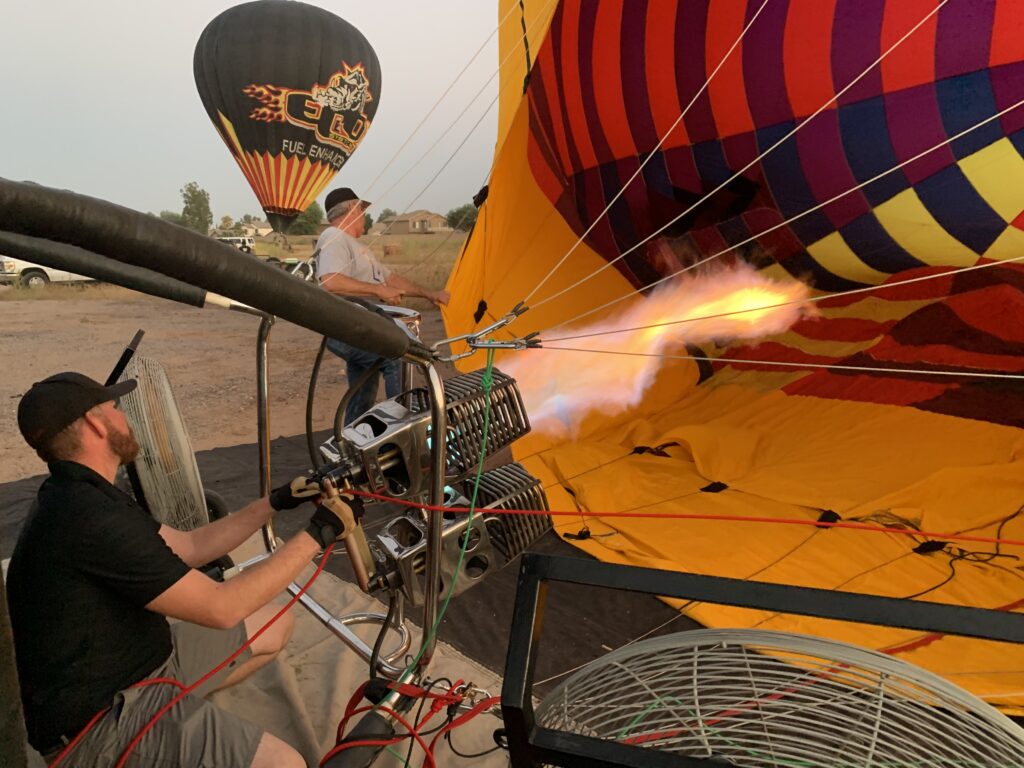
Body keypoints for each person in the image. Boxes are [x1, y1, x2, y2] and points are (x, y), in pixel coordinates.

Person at [6, 371, 357, 767]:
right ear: (94, 423)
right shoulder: (87, 518)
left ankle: (176, 718)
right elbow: (221, 608)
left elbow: (190, 546)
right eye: (115, 409)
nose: (125, 417)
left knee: (275, 622)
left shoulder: (81, 492)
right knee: (285, 763)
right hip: (99, 725)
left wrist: (275, 502)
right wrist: (320, 534)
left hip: (145, 665)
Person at [315, 187, 451, 424]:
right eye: (362, 210)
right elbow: (330, 281)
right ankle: (402, 426)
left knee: (363, 390)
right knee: (394, 356)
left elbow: (390, 280)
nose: (365, 216)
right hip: (345, 328)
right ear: (351, 209)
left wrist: (429, 294)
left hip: (360, 328)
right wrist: (378, 290)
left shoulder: (359, 248)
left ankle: (350, 443)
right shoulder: (333, 236)